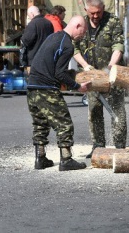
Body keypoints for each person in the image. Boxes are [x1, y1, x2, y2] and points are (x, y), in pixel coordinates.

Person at [27, 15, 91, 171]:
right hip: (47, 89)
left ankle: (40, 159)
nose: (83, 35)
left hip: (32, 87)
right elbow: (59, 74)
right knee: (64, 124)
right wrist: (77, 86)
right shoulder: (67, 44)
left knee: (40, 124)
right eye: (83, 31)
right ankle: (66, 159)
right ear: (77, 26)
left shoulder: (53, 37)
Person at [73, 0, 127, 158]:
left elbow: (118, 45)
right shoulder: (81, 24)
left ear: (103, 9)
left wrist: (110, 67)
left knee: (117, 110)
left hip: (112, 75)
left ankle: (119, 147)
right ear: (86, 10)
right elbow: (74, 48)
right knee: (94, 110)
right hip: (91, 76)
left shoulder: (113, 21)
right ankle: (98, 146)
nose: (96, 16)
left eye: (99, 12)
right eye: (92, 13)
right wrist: (85, 66)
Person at [20, 6, 54, 73]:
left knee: (33, 81)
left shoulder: (32, 24)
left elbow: (26, 41)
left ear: (32, 14)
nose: (29, 17)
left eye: (29, 15)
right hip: (47, 59)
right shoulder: (49, 23)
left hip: (34, 60)